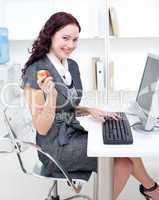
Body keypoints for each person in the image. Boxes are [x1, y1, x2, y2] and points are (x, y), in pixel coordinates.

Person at [22, 12, 159, 200]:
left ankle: (151, 190)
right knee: (123, 158)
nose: (70, 45)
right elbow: (42, 127)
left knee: (125, 156)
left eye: (75, 40)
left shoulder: (72, 66)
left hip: (72, 134)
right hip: (54, 147)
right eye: (65, 38)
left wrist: (89, 110)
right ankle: (153, 191)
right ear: (50, 35)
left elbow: (67, 106)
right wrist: (51, 96)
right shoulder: (35, 71)